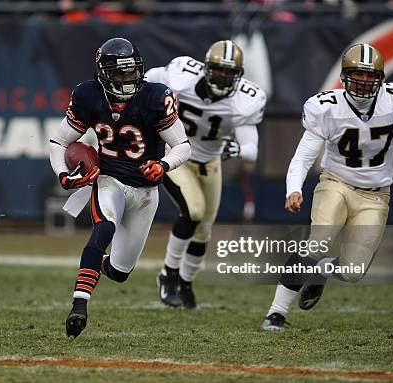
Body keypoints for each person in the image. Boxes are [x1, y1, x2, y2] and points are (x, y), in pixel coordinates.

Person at [261, 43, 393, 331]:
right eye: (358, 74)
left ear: (381, 78)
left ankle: (323, 271)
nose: (364, 81)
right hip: (336, 183)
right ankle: (275, 313)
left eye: (370, 76)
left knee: (353, 271)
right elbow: (304, 155)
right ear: (345, 76)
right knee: (318, 242)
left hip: (376, 195)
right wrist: (294, 188)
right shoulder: (327, 108)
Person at [49, 37, 191, 338]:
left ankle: (94, 265)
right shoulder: (89, 95)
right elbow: (59, 141)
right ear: (103, 74)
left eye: (131, 72)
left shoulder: (155, 96)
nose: (127, 79)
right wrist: (63, 174)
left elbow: (182, 145)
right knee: (103, 230)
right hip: (108, 179)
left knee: (119, 272)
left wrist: (164, 165)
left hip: (145, 193)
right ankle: (79, 305)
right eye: (119, 73)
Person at [145, 40, 266, 309]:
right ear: (206, 68)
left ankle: (186, 285)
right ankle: (168, 274)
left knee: (204, 231)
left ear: (238, 76)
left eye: (229, 72)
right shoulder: (180, 77)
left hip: (210, 162)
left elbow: (251, 149)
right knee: (195, 211)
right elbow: (151, 78)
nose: (223, 76)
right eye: (218, 70)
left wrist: (236, 148)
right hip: (176, 156)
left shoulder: (244, 101)